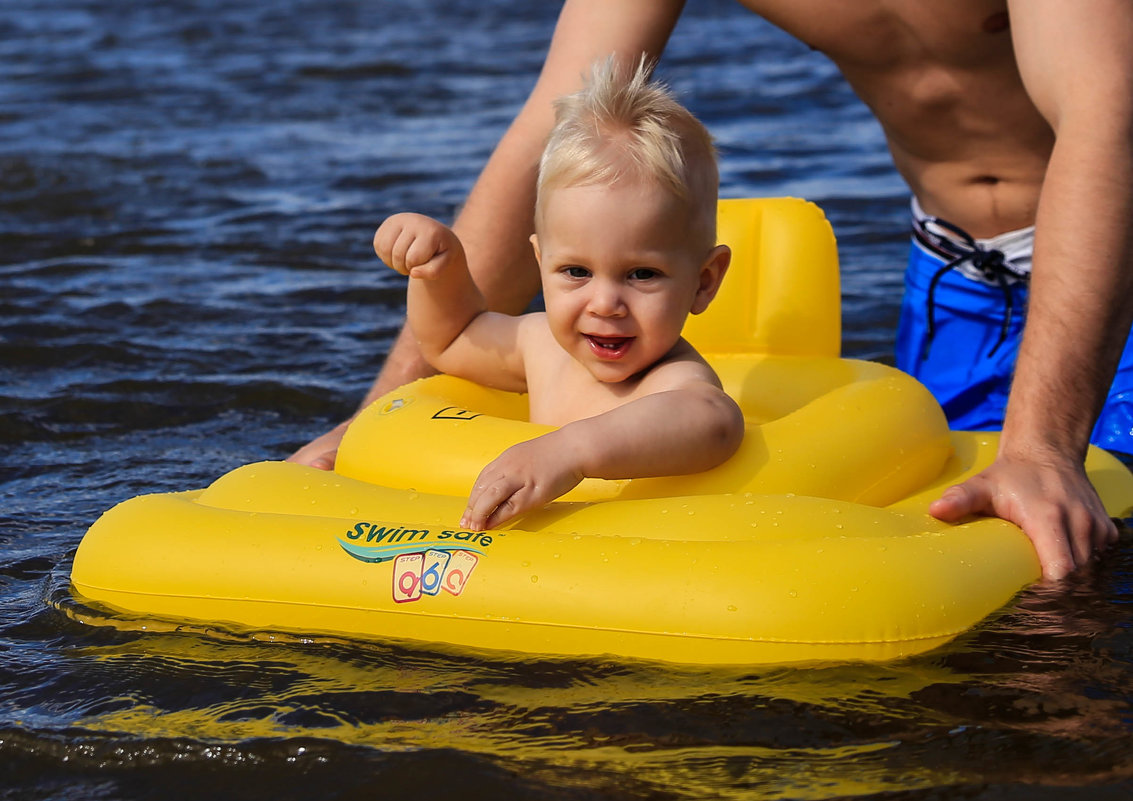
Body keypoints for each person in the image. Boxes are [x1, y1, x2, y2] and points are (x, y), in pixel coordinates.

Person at [291, 0, 1133, 580]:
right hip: (953, 269)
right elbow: (564, 114)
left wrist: (1042, 445)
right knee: (964, 556)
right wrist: (375, 425)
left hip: (1111, 250)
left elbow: (1108, 110)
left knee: (1088, 567)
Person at [371, 59, 743, 530]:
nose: (605, 303)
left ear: (704, 281)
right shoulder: (540, 347)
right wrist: (439, 271)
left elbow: (713, 422)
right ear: (540, 262)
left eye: (642, 274)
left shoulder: (675, 381)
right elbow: (451, 340)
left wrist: (571, 451)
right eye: (576, 271)